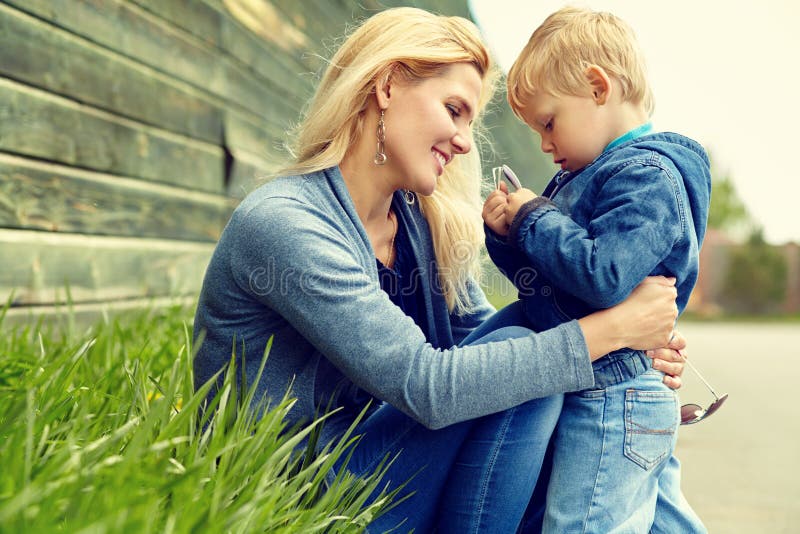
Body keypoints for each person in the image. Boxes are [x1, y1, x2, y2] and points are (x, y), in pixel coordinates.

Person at [193, 7, 688, 533]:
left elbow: (497, 349)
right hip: (297, 500)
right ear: (386, 86)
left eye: (470, 121)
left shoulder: (415, 225)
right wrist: (609, 331)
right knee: (530, 359)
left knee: (536, 363)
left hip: (384, 468)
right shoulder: (286, 223)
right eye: (454, 110)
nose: (465, 141)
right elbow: (427, 386)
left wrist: (631, 354)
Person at [482, 6, 710, 533]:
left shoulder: (646, 178)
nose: (544, 143)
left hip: (614, 396)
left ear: (597, 87)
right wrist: (507, 236)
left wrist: (534, 217)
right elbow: (550, 284)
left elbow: (603, 275)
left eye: (548, 122)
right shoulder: (595, 174)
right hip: (620, 391)